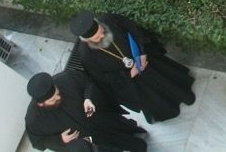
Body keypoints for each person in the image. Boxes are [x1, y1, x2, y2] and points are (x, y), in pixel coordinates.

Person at [67, 11, 195, 123]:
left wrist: (142, 51)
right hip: (132, 79)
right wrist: (129, 74)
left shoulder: (109, 19)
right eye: (97, 38)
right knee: (154, 97)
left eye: (102, 31)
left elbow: (133, 28)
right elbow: (102, 78)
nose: (102, 36)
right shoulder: (86, 55)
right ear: (87, 40)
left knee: (168, 79)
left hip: (144, 59)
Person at [24, 69, 148, 151]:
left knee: (126, 131)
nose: (58, 97)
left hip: (101, 120)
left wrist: (88, 98)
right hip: (90, 141)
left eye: (57, 93)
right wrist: (59, 140)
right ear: (41, 104)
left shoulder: (66, 78)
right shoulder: (33, 120)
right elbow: (38, 142)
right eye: (53, 100)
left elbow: (88, 82)